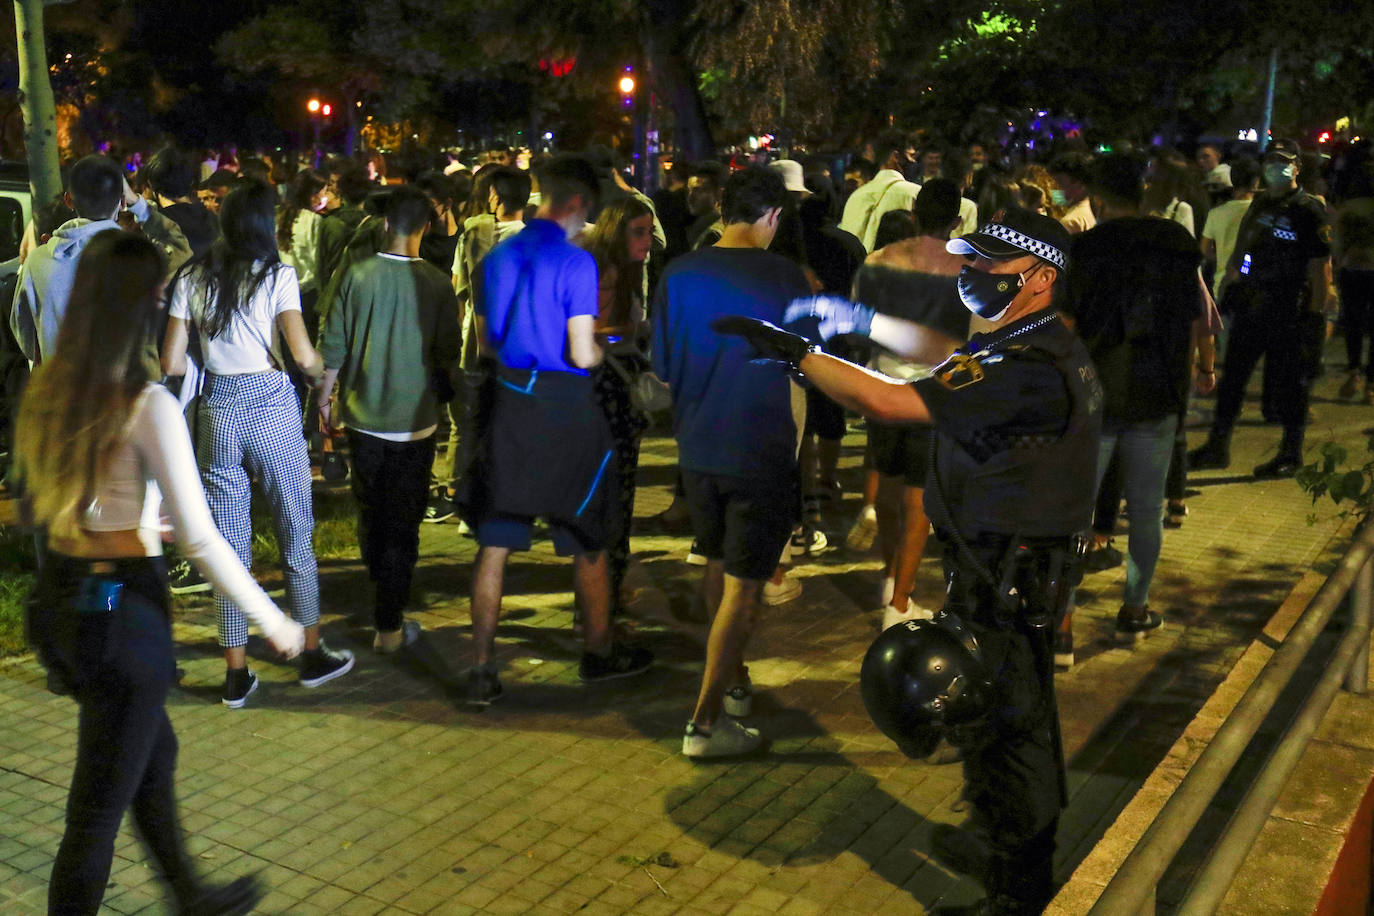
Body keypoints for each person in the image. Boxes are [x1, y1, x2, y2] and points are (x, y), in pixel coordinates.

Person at [757, 206, 1101, 914]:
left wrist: (800, 356)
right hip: (996, 568)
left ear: (1039, 278)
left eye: (988, 266)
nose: (971, 276)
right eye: (969, 262)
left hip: (1009, 578)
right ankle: (995, 842)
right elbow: (941, 353)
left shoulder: (1031, 368)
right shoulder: (1024, 343)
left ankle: (1017, 888)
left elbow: (892, 401)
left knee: (1011, 732)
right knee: (990, 717)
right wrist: (851, 319)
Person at [18, 231, 304, 914]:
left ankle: (189, 892)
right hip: (124, 615)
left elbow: (59, 503)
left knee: (150, 754)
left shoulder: (47, 389)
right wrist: (275, 623)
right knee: (93, 814)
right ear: (144, 305)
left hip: (65, 600)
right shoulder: (148, 405)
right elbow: (203, 539)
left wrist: (141, 516)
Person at [458, 154, 653, 706]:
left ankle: (480, 668)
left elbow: (488, 343)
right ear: (575, 205)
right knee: (589, 539)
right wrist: (606, 348)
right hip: (566, 408)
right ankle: (597, 652)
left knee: (494, 544)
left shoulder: (496, 258)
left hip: (510, 403)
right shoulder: (575, 264)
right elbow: (581, 350)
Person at [161, 179, 354, 707]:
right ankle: (311, 655)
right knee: (295, 532)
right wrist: (321, 381)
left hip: (218, 409)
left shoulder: (193, 277)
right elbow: (303, 355)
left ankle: (236, 672)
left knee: (228, 545)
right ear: (265, 226)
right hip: (270, 403)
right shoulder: (278, 276)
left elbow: (172, 364)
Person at [652, 166, 813, 759]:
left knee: (717, 562)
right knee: (745, 589)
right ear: (771, 215)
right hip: (761, 448)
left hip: (697, 447)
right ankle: (703, 722)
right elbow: (808, 363)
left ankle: (734, 680)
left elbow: (663, 369)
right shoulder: (785, 277)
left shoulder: (680, 272)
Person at [1064, 155, 1211, 657]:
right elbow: (1195, 319)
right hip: (1159, 392)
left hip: (1095, 394)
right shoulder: (1177, 244)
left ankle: (1060, 619)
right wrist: (1195, 373)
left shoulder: (1083, 249)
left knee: (1073, 511)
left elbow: (1069, 326)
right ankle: (1134, 606)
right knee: (1147, 510)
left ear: (1099, 200)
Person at [318, 185, 460, 653]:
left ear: (384, 225)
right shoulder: (439, 284)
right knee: (405, 522)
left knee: (370, 513)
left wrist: (323, 402)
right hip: (417, 421)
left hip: (363, 418)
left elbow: (332, 346)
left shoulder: (356, 275)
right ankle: (390, 624)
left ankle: (381, 595)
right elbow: (447, 356)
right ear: (426, 227)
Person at [853, 178, 969, 631]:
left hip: (882, 384)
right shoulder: (965, 269)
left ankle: (887, 574)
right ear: (956, 220)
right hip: (932, 392)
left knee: (886, 480)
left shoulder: (878, 261)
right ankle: (900, 599)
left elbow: (860, 323)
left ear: (915, 212)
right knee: (920, 494)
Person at [1189, 139, 1332, 479]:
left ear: (1297, 168)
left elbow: (1320, 268)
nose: (1275, 168)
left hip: (1290, 309)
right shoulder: (1262, 203)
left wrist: (1315, 317)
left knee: (1292, 385)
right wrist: (1235, 278)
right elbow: (1245, 244)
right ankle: (1217, 446)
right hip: (1254, 303)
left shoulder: (1308, 209)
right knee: (1234, 378)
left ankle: (1290, 453)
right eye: (1271, 161)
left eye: (1283, 162)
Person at [11, 154, 191, 365]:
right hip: (121, 391)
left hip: (59, 388)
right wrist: (137, 204)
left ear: (69, 200)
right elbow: (179, 244)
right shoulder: (138, 256)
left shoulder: (38, 261)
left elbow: (23, 330)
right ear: (122, 200)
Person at [581, 197, 656, 619]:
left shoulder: (626, 271)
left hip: (612, 389)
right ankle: (601, 602)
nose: (647, 241)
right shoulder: (602, 272)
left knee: (616, 497)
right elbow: (584, 329)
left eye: (648, 232)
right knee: (611, 497)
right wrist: (628, 330)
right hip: (603, 388)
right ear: (616, 231)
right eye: (639, 232)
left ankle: (605, 595)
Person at [840, 133, 922, 252]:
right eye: (910, 156)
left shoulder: (855, 196)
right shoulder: (915, 194)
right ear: (895, 156)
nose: (914, 162)